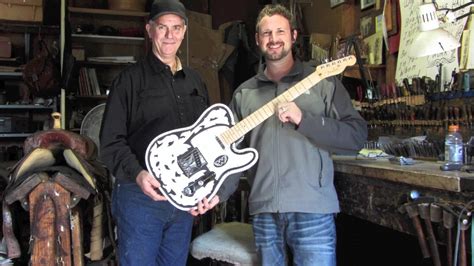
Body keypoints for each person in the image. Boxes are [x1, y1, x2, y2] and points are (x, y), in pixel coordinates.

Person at [228, 4, 368, 266]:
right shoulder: (243, 95)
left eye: (280, 31)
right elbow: (231, 158)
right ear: (258, 39)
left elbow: (356, 137)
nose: (273, 39)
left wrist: (304, 119)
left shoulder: (323, 83)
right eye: (266, 33)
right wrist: (215, 196)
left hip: (313, 210)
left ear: (293, 35)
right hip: (264, 212)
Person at [99, 0, 230, 265]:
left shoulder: (195, 81)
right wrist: (138, 174)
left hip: (183, 203)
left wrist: (206, 190)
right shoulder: (129, 80)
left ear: (184, 31)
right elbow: (110, 142)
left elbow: (207, 143)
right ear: (150, 30)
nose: (170, 35)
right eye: (163, 27)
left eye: (176, 28)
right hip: (140, 200)